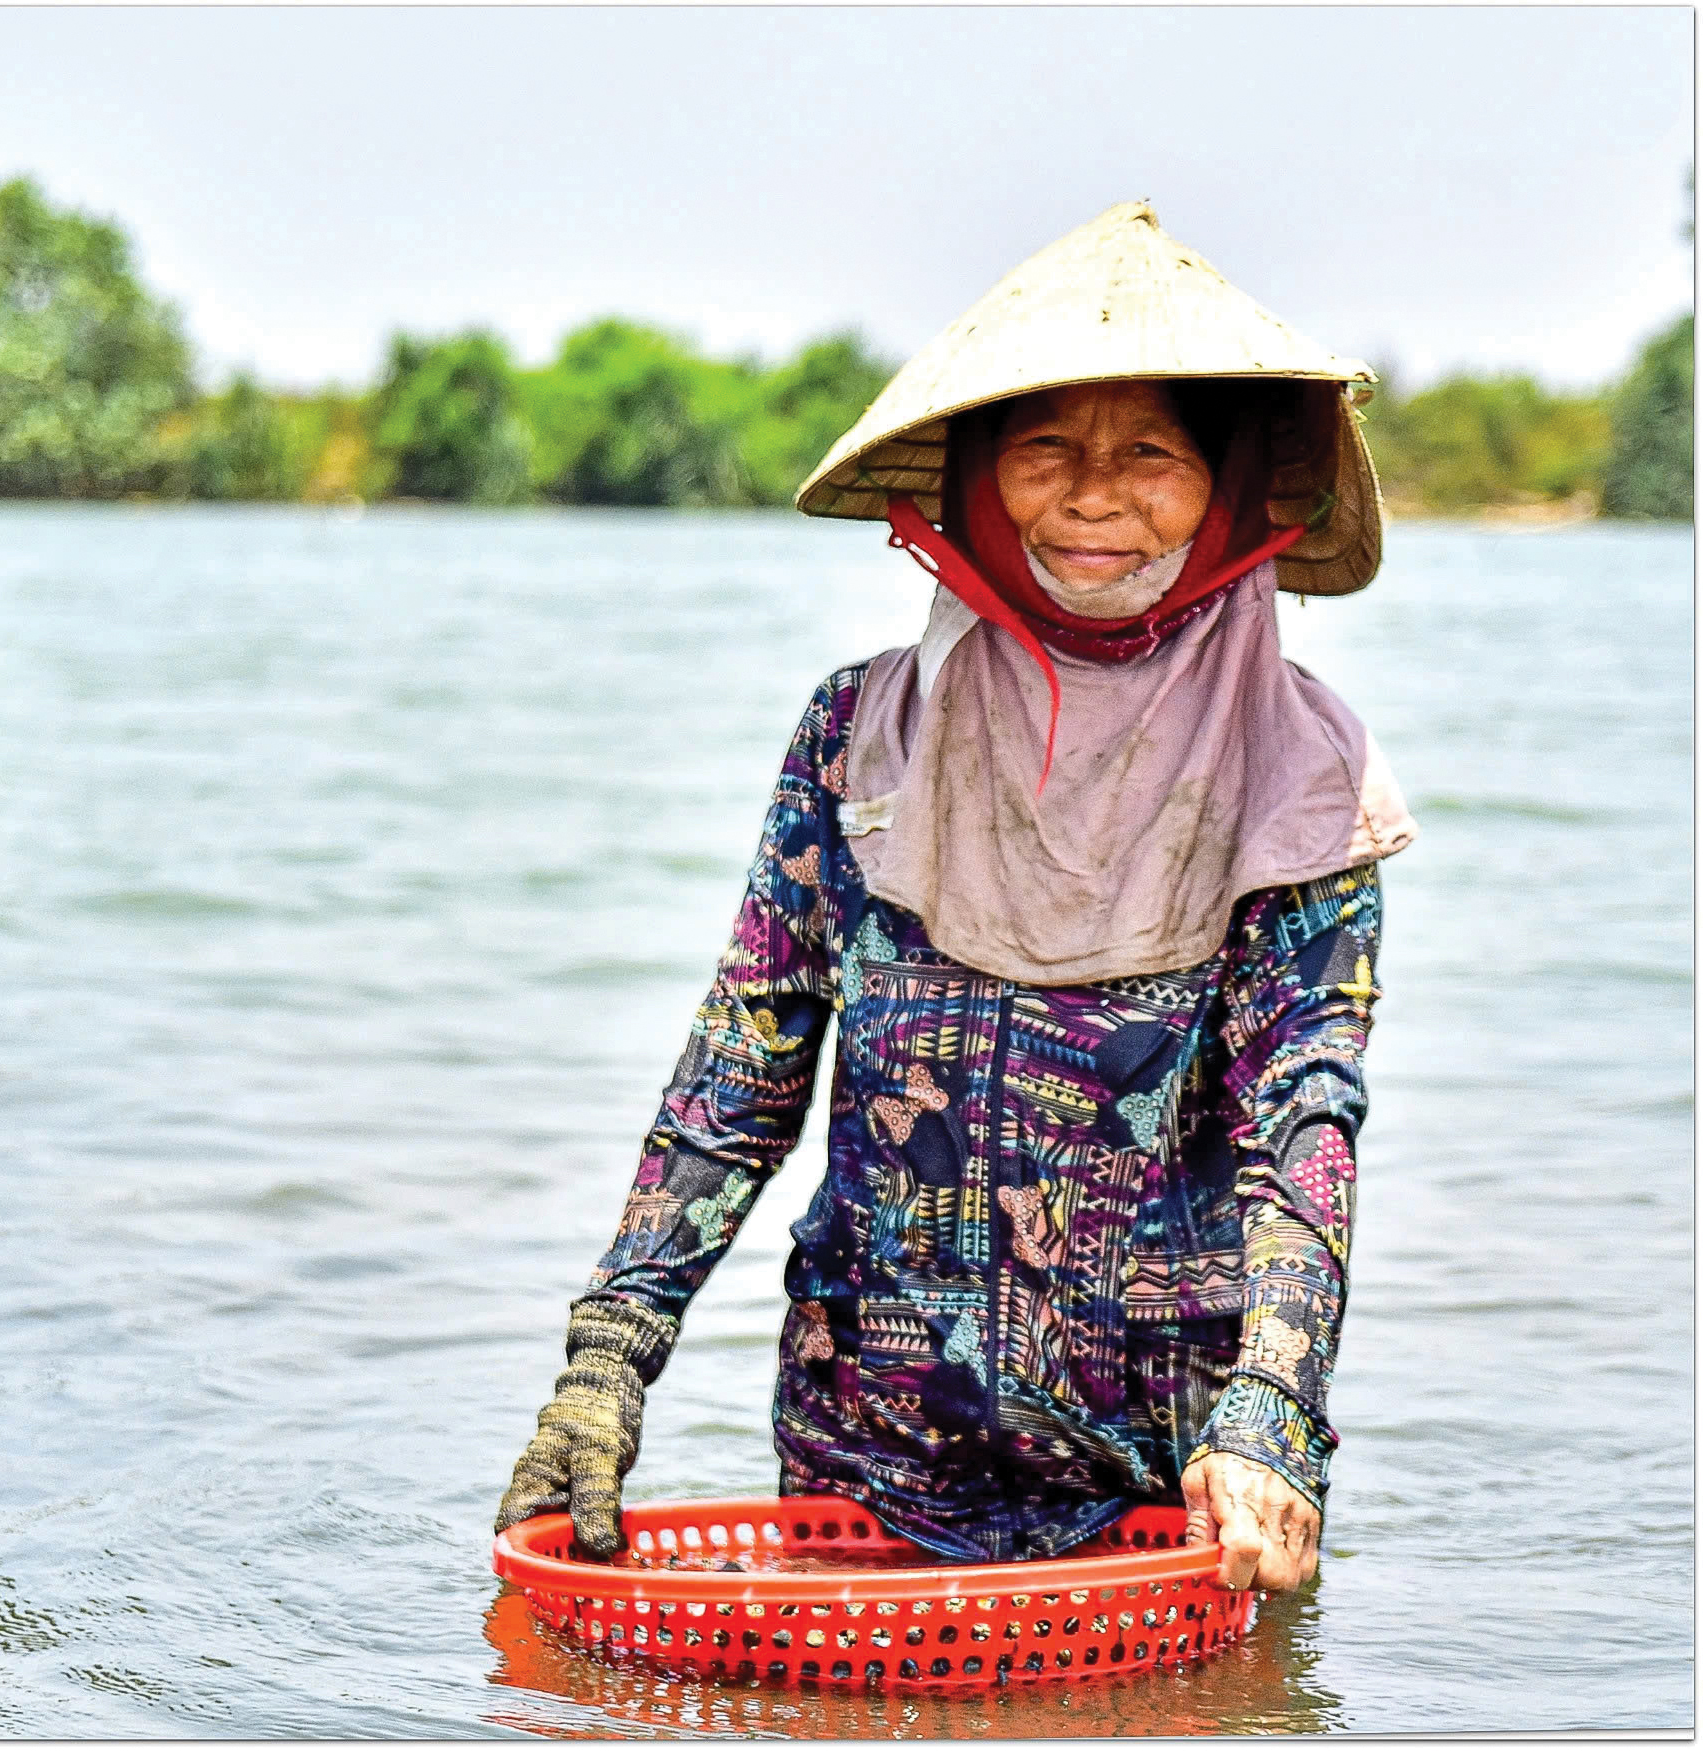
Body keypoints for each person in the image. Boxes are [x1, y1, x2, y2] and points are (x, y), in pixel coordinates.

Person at [496, 202, 1416, 1595]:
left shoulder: (1304, 773)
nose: (1096, 496)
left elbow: (1309, 1113)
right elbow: (745, 1055)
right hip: (865, 1441)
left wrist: (1274, 1401)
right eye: (1046, 449)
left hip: (1171, 1476)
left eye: (1152, 453)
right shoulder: (857, 733)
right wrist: (607, 1361)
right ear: (981, 483)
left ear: (1223, 490)